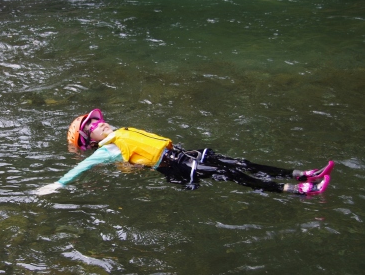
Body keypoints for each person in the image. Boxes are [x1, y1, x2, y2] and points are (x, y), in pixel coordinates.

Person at [36, 109, 334, 196]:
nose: (101, 124)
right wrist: (58, 184)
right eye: (94, 127)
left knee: (238, 162)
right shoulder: (108, 150)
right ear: (91, 140)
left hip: (186, 154)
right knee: (232, 174)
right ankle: (300, 190)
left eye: (99, 120)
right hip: (178, 167)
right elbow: (80, 169)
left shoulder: (120, 134)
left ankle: (302, 173)